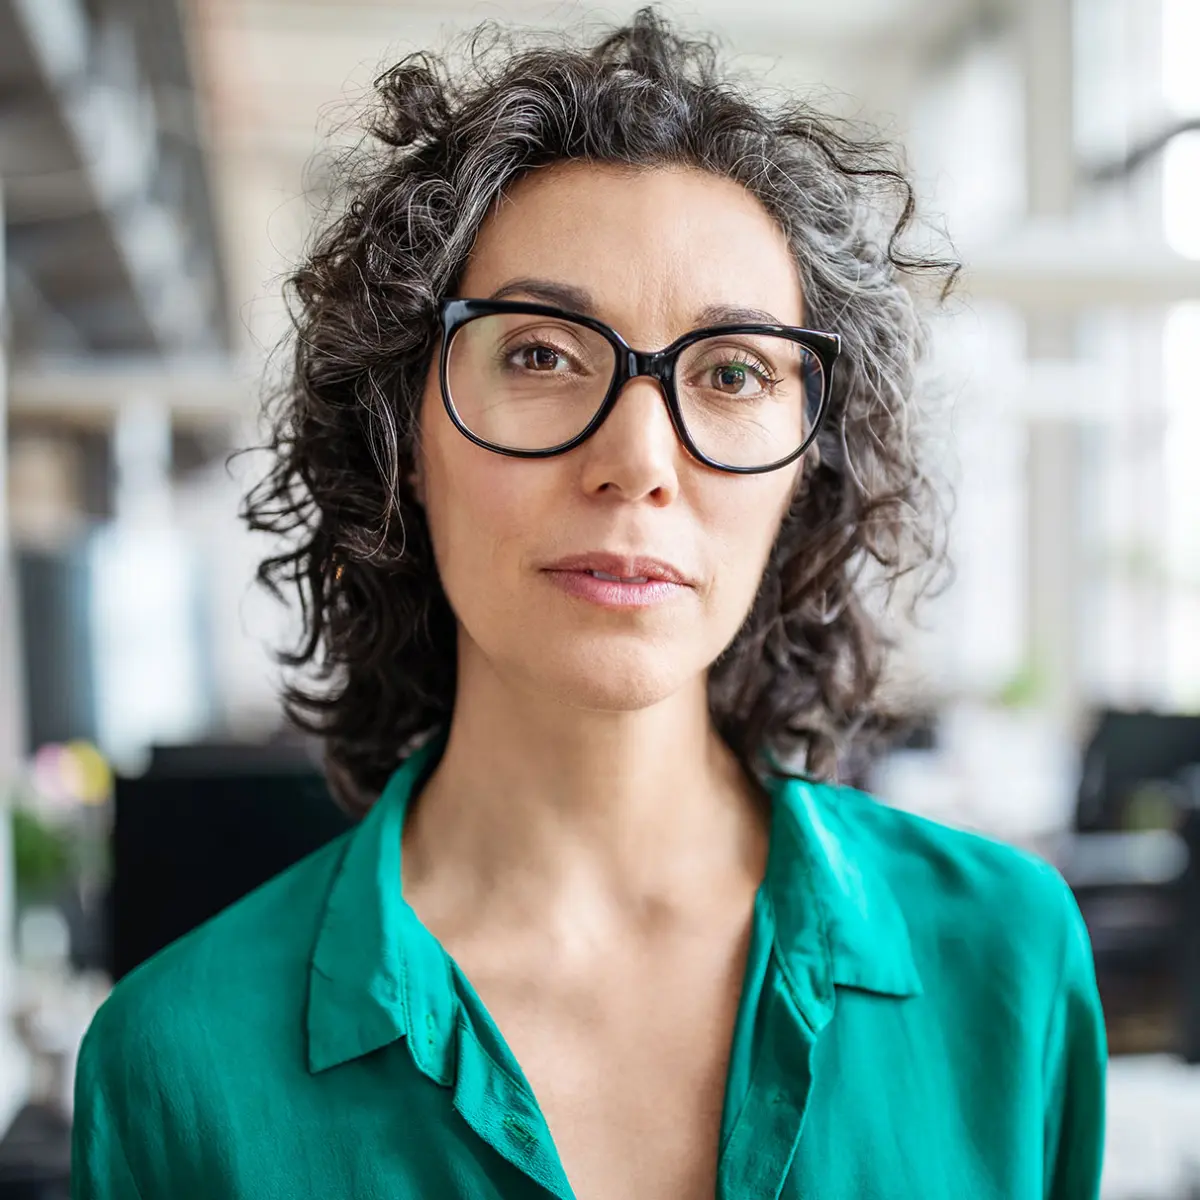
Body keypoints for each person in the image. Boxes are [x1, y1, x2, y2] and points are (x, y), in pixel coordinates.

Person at [72, 10, 1107, 1198]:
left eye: (733, 372)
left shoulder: (1008, 963)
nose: (639, 460)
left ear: (808, 470)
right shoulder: (177, 1067)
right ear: (402, 436)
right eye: (540, 355)